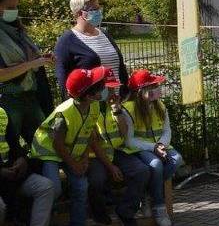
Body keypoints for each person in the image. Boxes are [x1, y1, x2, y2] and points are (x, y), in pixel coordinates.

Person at [31, 67, 114, 226]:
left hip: (70, 153)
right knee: (54, 188)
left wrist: (84, 159)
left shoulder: (94, 105)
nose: (104, 88)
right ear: (89, 94)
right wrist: (74, 165)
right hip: (49, 152)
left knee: (81, 186)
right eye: (99, 86)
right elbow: (57, 143)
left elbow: (88, 134)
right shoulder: (64, 113)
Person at [87, 66, 150, 226]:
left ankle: (126, 211)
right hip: (96, 155)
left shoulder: (114, 104)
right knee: (97, 179)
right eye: (107, 87)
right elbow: (93, 143)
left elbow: (123, 133)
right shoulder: (88, 106)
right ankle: (99, 214)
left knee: (141, 171)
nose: (111, 91)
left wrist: (117, 111)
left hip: (117, 151)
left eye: (112, 87)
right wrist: (110, 167)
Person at [122, 69, 181, 226]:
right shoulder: (127, 109)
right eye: (153, 86)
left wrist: (161, 144)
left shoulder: (160, 105)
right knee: (156, 165)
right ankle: (159, 207)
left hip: (160, 146)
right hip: (140, 149)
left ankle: (146, 194)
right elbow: (129, 141)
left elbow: (167, 130)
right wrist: (154, 147)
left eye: (156, 85)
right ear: (141, 91)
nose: (157, 88)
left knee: (176, 160)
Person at [0, 0, 54, 146]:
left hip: (30, 96)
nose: (14, 11)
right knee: (12, 147)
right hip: (8, 100)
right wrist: (32, 64)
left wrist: (42, 59)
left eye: (16, 7)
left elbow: (28, 60)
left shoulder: (18, 30)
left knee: (44, 144)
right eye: (10, 7)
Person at [54, 0, 130, 96]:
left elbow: (120, 67)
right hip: (91, 104)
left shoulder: (104, 34)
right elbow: (63, 80)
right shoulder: (66, 41)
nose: (98, 12)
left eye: (98, 8)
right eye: (93, 10)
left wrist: (125, 92)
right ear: (79, 13)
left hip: (116, 101)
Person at [0, 99, 56, 226]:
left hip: (11, 174)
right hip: (3, 175)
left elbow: (14, 144)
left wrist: (21, 159)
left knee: (45, 186)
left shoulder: (2, 113)